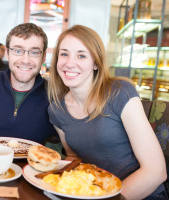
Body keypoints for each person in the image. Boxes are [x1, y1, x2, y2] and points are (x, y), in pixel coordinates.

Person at [47, 25, 167, 199]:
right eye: (64, 54)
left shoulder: (120, 92)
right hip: (93, 193)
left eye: (81, 55)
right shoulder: (56, 110)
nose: (69, 63)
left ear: (96, 63)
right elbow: (75, 157)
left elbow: (156, 172)